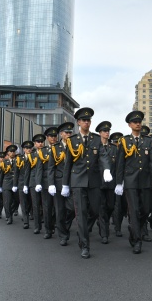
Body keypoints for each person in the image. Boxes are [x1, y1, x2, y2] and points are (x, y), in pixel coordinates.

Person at [61, 107, 112, 259]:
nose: (86, 122)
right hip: (77, 181)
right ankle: (84, 245)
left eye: (88, 120)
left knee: (95, 211)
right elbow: (68, 164)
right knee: (81, 213)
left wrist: (107, 169)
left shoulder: (96, 139)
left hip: (94, 181)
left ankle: (83, 230)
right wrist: (65, 184)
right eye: (84, 120)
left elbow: (103, 156)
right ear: (78, 122)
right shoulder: (72, 141)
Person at [115, 111, 152, 254]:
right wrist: (119, 182)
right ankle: (136, 240)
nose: (138, 124)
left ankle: (134, 228)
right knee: (134, 211)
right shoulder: (124, 141)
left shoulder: (147, 141)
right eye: (135, 122)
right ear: (130, 125)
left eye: (139, 121)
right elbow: (120, 163)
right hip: (130, 181)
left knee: (146, 210)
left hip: (146, 181)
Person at [49, 122, 75, 245]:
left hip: (72, 182)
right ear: (61, 134)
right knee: (60, 210)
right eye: (66, 132)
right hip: (59, 182)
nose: (69, 134)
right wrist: (51, 184)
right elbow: (51, 167)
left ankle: (66, 226)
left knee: (72, 209)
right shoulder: (55, 148)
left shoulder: (76, 145)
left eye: (70, 132)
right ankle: (63, 235)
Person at [36, 127, 60, 239]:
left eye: (55, 136)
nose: (54, 138)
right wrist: (38, 182)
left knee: (59, 207)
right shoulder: (43, 151)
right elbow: (39, 168)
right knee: (47, 207)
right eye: (51, 136)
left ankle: (56, 223)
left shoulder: (61, 148)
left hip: (59, 180)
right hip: (46, 182)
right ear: (47, 138)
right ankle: (48, 229)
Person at [95, 120, 116, 245]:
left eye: (108, 131)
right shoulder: (95, 146)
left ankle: (103, 222)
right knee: (101, 207)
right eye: (104, 131)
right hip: (98, 182)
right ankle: (104, 233)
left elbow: (117, 165)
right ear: (100, 133)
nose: (107, 133)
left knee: (111, 206)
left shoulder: (113, 148)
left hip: (110, 183)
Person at [24, 134, 44, 234]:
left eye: (41, 142)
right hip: (33, 182)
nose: (40, 143)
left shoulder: (47, 152)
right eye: (38, 142)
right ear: (35, 144)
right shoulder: (31, 156)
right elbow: (27, 171)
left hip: (45, 182)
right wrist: (25, 184)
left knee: (47, 205)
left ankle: (50, 225)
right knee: (35, 205)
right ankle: (37, 226)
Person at [109, 132, 127, 237]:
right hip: (113, 183)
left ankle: (118, 223)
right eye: (115, 142)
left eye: (119, 142)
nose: (117, 144)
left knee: (123, 206)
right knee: (116, 206)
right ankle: (117, 227)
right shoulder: (111, 151)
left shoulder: (126, 151)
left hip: (125, 182)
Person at [14, 141, 33, 229]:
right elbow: (16, 173)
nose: (29, 149)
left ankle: (27, 213)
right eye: (27, 148)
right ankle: (26, 221)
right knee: (23, 202)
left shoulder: (35, 157)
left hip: (31, 182)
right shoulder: (19, 158)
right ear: (24, 149)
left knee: (30, 202)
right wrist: (15, 184)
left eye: (30, 148)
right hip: (21, 183)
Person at [1, 145, 17, 224]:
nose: (12, 153)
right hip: (7, 184)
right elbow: (1, 175)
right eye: (11, 151)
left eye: (13, 151)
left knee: (17, 201)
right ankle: (9, 217)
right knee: (7, 201)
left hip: (16, 184)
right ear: (8, 153)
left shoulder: (18, 161)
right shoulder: (4, 162)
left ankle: (10, 212)